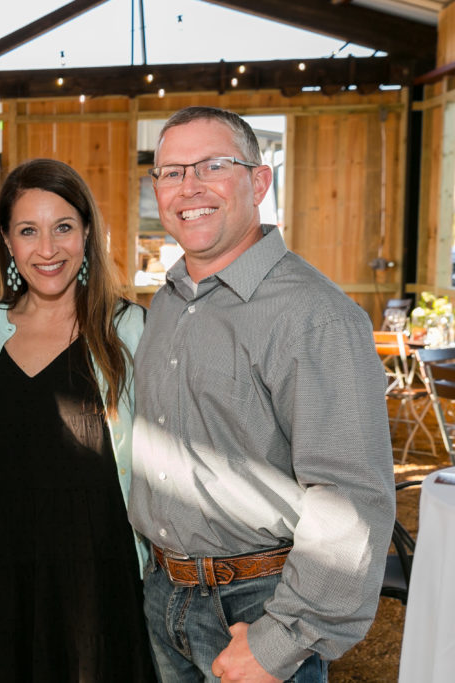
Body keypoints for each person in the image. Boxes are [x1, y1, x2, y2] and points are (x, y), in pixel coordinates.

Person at [130, 105, 395, 682]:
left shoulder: (314, 314)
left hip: (259, 607)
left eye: (212, 166)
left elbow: (350, 495)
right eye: (172, 171)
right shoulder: (170, 300)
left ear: (258, 180)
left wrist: (285, 638)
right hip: (165, 596)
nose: (189, 186)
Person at [0, 158, 156, 682]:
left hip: (96, 587)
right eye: (28, 231)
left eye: (63, 228)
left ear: (86, 235)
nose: (48, 249)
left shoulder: (129, 331)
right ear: (8, 242)